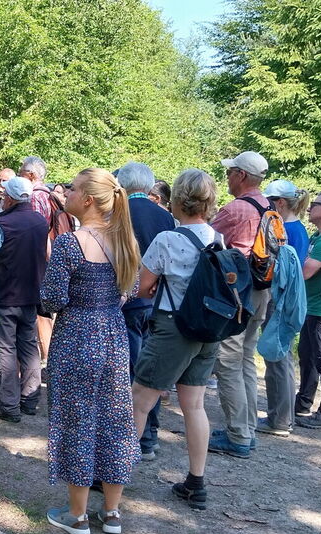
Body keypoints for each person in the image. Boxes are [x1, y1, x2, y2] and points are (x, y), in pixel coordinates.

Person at [42, 168, 140, 534]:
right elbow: (130, 291)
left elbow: (52, 299)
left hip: (76, 338)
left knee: (77, 419)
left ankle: (77, 515)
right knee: (115, 421)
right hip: (114, 336)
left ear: (87, 199)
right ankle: (112, 513)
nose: (66, 193)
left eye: (72, 188)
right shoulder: (125, 242)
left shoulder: (70, 244)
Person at [131, 169, 222, 510]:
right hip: (208, 329)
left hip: (173, 327)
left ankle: (114, 472)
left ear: (177, 201)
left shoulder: (167, 240)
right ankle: (196, 482)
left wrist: (157, 283)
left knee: (140, 399)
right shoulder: (218, 237)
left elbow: (142, 288)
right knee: (194, 406)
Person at [208, 150, 271, 458]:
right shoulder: (268, 206)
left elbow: (207, 241)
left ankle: (238, 436)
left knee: (228, 361)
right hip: (262, 292)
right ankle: (248, 428)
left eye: (230, 172)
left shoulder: (236, 209)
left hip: (238, 295)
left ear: (241, 175)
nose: (227, 177)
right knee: (246, 358)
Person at [0, 176, 48, 422]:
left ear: (12, 199)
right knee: (29, 348)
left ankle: (8, 405)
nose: (3, 198)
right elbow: (47, 253)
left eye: (5, 195)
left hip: (4, 295)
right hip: (31, 295)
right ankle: (30, 399)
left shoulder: (2, 224)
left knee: (6, 350)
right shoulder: (40, 221)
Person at [117, 162, 175, 461]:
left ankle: (127, 439)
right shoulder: (165, 216)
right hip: (157, 301)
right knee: (151, 371)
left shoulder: (118, 211)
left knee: (127, 371)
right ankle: (149, 437)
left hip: (125, 300)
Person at [257, 179, 310, 436]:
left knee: (277, 357)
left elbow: (286, 273)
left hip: (280, 301)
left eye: (269, 200)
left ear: (279, 203)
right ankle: (281, 417)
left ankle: (279, 420)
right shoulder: (297, 229)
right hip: (284, 301)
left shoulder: (287, 230)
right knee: (281, 357)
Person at [294, 192, 321, 429]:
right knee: (307, 357)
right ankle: (303, 403)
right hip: (313, 307)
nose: (309, 208)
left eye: (315, 205)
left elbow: (305, 272)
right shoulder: (317, 237)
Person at [19, 156, 54, 375]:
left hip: (33, 261)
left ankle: (41, 363)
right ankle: (47, 360)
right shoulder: (48, 194)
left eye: (21, 171)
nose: (19, 174)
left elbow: (33, 231)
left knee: (34, 315)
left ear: (31, 175)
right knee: (42, 313)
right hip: (44, 259)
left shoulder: (33, 196)